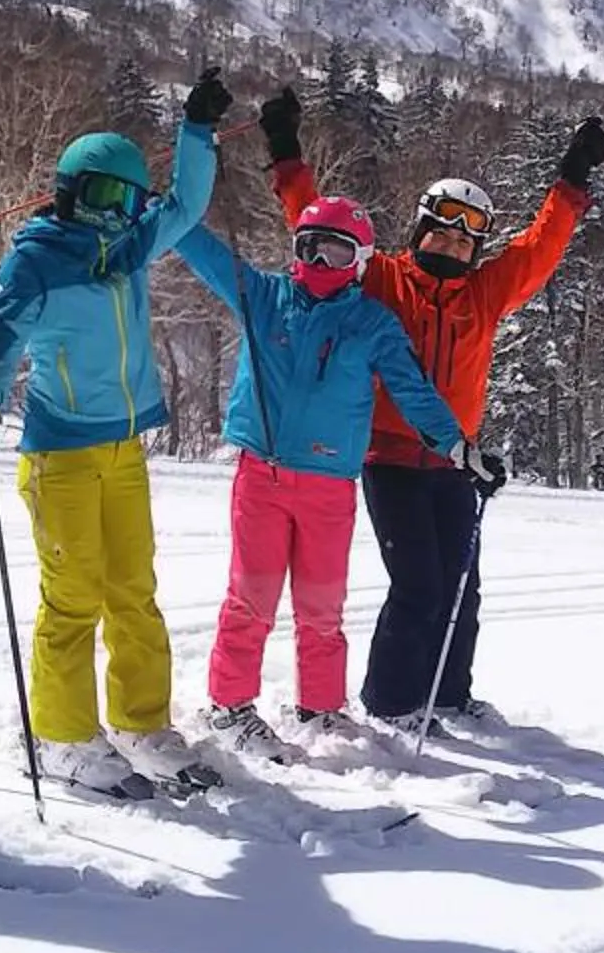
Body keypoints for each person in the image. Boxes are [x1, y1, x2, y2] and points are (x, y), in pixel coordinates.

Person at [257, 91, 604, 728]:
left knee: (460, 591)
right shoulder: (382, 278)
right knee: (418, 584)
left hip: (455, 462)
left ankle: (448, 696)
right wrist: (285, 150)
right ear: (421, 229)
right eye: (442, 231)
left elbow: (538, 248)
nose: (451, 245)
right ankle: (392, 704)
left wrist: (573, 176)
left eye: (465, 238)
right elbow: (316, 228)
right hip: (388, 456)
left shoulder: (485, 291)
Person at [0, 75, 228, 799]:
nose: (119, 214)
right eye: (105, 197)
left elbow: (185, 206)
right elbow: (1, 335)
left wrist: (196, 132)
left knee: (133, 591)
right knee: (72, 596)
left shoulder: (131, 247)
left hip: (125, 450)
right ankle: (62, 736)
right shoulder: (37, 260)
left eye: (127, 201)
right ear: (71, 192)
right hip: (60, 455)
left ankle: (140, 721)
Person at [170, 196, 495, 762]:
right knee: (251, 598)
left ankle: (320, 706)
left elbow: (414, 391)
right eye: (311, 247)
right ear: (297, 247)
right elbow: (202, 250)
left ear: (360, 259)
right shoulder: (264, 297)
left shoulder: (371, 322)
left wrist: (457, 447)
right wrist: (165, 209)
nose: (322, 262)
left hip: (330, 485)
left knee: (322, 607)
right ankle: (229, 705)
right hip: (262, 477)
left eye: (337, 251)